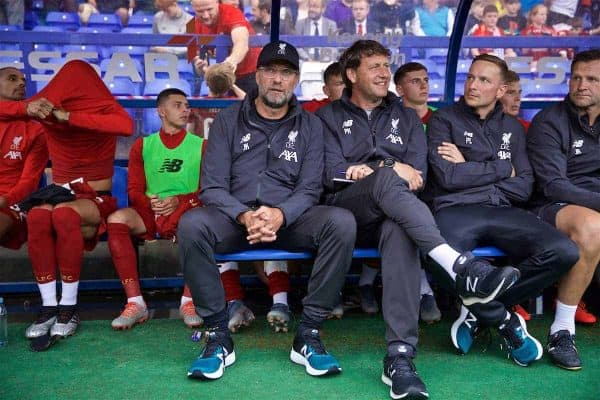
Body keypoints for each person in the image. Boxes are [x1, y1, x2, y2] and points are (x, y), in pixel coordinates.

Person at [316, 40, 521, 399]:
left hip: (397, 214)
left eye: (386, 65)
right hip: (347, 213)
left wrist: (381, 170)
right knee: (387, 179)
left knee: (400, 230)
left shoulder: (406, 116)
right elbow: (331, 173)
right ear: (351, 74)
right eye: (375, 66)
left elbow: (420, 176)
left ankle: (400, 356)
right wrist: (389, 167)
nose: (384, 73)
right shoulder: (327, 117)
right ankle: (456, 265)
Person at [178, 40, 356, 380]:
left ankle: (309, 333)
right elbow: (212, 186)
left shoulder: (311, 126)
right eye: (271, 71)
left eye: (286, 73)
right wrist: (244, 215)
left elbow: (310, 188)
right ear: (258, 76)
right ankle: (217, 336)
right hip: (235, 219)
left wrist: (281, 214)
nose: (278, 80)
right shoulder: (229, 121)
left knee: (341, 222)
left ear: (296, 80)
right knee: (192, 224)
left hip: (290, 220)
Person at [426, 54, 579, 367]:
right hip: (455, 209)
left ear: (500, 91)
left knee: (564, 251)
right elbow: (447, 177)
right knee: (432, 251)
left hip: (504, 209)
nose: (473, 85)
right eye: (471, 77)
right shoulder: (444, 119)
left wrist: (469, 167)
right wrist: (500, 167)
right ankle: (501, 319)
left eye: (484, 80)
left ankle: (478, 307)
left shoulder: (512, 126)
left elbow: (524, 186)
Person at [2, 60, 134, 342]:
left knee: (63, 215)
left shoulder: (103, 107)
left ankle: (69, 307)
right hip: (58, 193)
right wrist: (31, 108)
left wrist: (68, 116)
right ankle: (48, 306)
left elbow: (125, 125)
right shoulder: (45, 109)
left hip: (94, 198)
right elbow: (17, 108)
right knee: (38, 216)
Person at [106, 88, 205, 330]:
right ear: (161, 111)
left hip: (187, 213)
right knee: (117, 219)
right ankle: (135, 302)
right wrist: (151, 204)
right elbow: (134, 189)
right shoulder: (143, 145)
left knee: (200, 224)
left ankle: (188, 301)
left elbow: (207, 189)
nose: (185, 110)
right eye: (178, 105)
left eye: (187, 105)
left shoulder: (201, 145)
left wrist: (179, 201)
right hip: (151, 212)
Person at [526, 49, 600, 370]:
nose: (582, 85)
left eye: (593, 79)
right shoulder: (550, 120)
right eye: (577, 77)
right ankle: (562, 330)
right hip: (550, 206)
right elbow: (553, 184)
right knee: (592, 226)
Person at [393, 61, 442, 323]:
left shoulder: (441, 117)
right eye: (415, 81)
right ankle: (424, 292)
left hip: (438, 190)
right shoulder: (391, 118)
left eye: (425, 79)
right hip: (403, 191)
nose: (423, 85)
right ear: (399, 89)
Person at [0, 67, 48, 251]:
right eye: (12, 79)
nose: (21, 83)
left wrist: (4, 200)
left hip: (11, 205)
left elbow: (29, 182)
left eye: (23, 81)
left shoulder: (36, 131)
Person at [190, 0, 261, 93]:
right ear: (193, 8)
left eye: (209, 9)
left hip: (251, 74)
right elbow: (198, 60)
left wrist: (231, 61)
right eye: (200, 11)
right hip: (222, 78)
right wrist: (202, 68)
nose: (205, 15)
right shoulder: (192, 25)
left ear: (217, 3)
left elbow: (241, 43)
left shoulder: (231, 12)